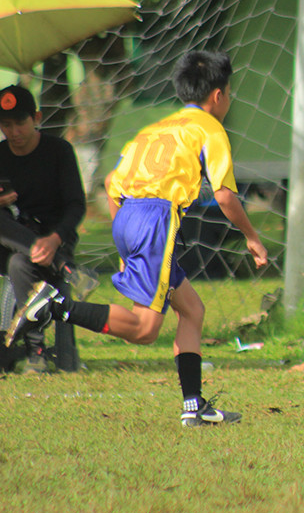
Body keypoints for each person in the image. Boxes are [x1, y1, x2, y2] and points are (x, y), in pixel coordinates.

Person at [5, 51, 268, 426]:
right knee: (145, 329)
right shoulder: (210, 128)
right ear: (219, 96)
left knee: (192, 309)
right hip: (156, 220)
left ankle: (194, 406)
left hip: (128, 216)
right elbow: (225, 196)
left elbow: (112, 185)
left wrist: (127, 241)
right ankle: (55, 306)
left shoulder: (156, 128)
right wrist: (253, 238)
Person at [0, 84, 96, 373]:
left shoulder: (59, 151)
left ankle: (35, 349)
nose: (14, 132)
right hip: (10, 239)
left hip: (55, 240)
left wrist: (54, 241)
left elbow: (76, 205)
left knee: (19, 264)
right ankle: (66, 269)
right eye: (6, 125)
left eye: (20, 123)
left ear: (37, 118)